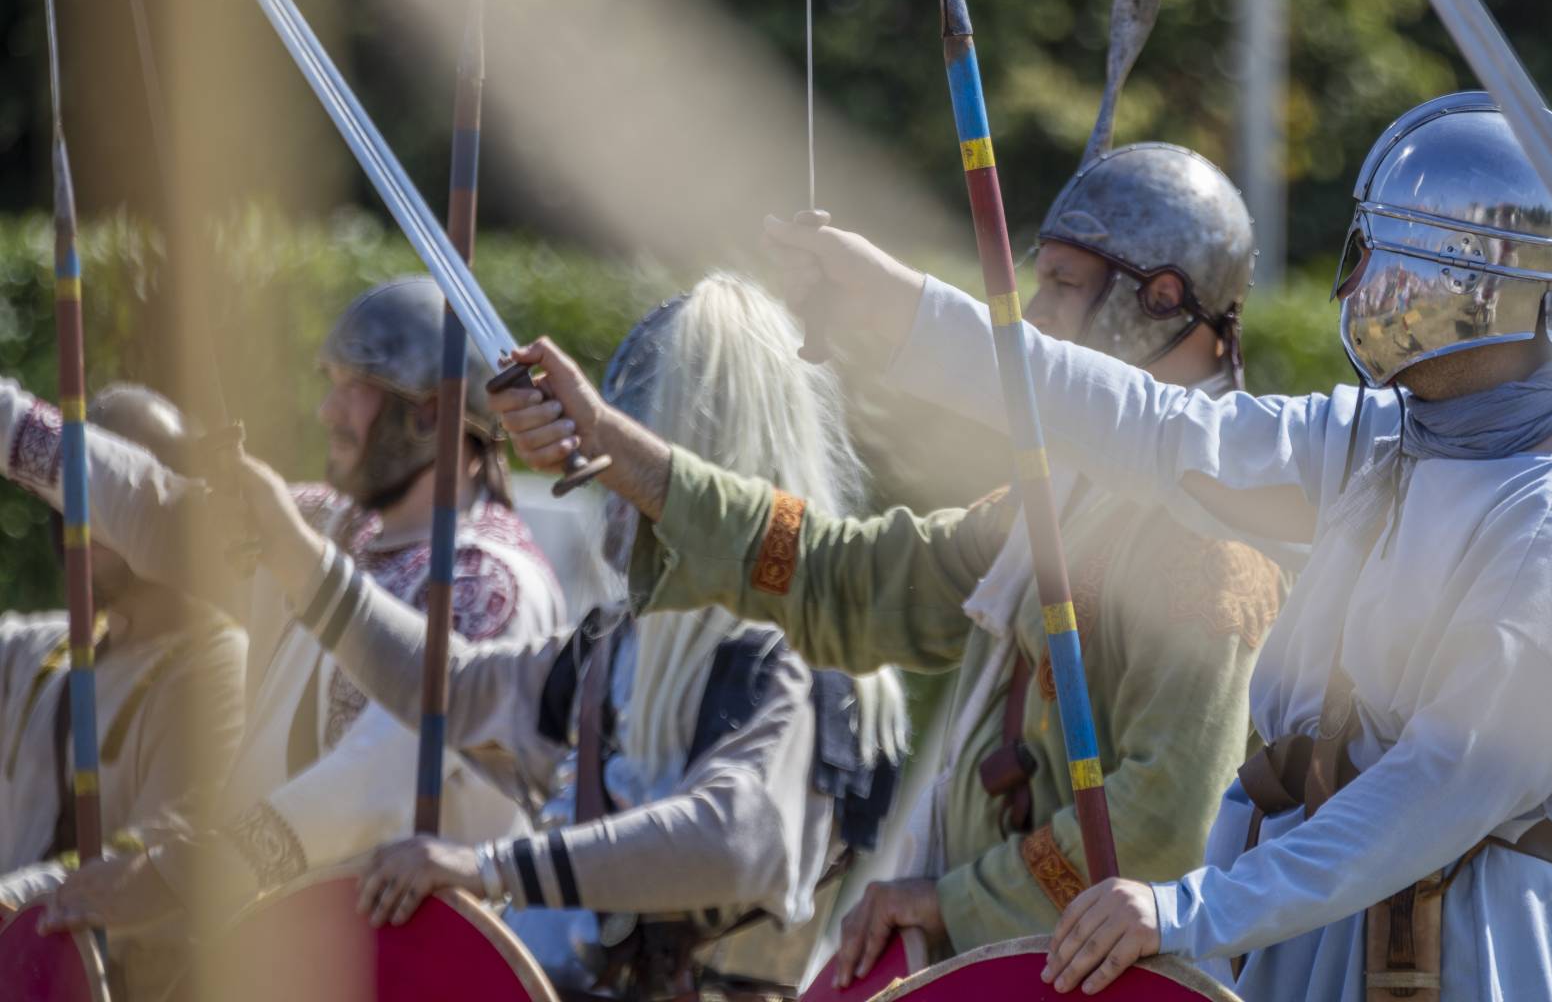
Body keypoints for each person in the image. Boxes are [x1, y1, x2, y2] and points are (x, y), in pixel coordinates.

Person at [758, 91, 1552, 999]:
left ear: (1479, 285)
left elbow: (1446, 784)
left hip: (1454, 944)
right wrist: (904, 309)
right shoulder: (1381, 440)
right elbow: (1159, 431)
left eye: (1389, 260)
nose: (1360, 288)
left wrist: (1196, 908)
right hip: (1294, 916)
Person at [493, 148, 1285, 988]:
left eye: (1061, 284)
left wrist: (954, 902)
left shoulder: (1210, 535)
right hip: (1030, 968)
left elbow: (1168, 819)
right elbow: (848, 575)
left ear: (1159, 300)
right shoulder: (1061, 501)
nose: (1036, 314)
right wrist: (624, 456)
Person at [227, 273, 908, 1001]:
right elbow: (453, 691)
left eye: (630, 462)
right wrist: (298, 558)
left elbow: (737, 839)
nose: (607, 491)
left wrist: (493, 868)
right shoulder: (621, 650)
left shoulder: (798, 658)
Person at [34, 277, 564, 929]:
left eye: (354, 388)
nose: (327, 411)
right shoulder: (322, 525)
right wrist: (12, 424)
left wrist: (178, 876)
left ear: (431, 414)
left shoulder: (490, 582)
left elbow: (369, 786)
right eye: (330, 384)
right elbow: (152, 509)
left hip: (416, 962)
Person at [0, 383, 247, 991]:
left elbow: (159, 855)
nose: (82, 520)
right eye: (71, 497)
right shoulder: (40, 652)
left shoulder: (219, 665)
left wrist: (12, 902)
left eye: (105, 499)